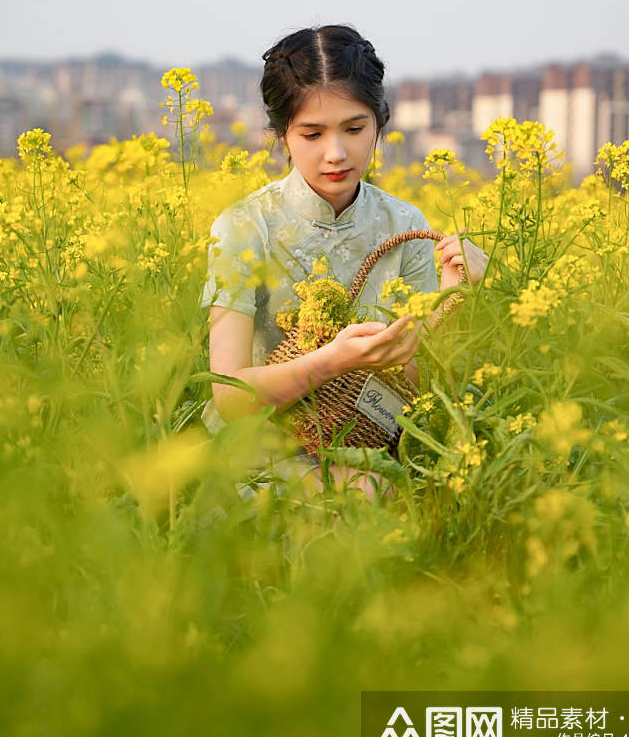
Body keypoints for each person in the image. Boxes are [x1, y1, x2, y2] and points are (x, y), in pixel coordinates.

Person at [200, 25, 487, 501]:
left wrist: (454, 296)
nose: (336, 153)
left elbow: (414, 386)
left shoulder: (405, 223)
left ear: (379, 124)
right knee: (368, 497)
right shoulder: (245, 226)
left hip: (369, 446)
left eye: (355, 129)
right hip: (257, 453)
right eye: (312, 134)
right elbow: (230, 396)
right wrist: (332, 361)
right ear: (282, 135)